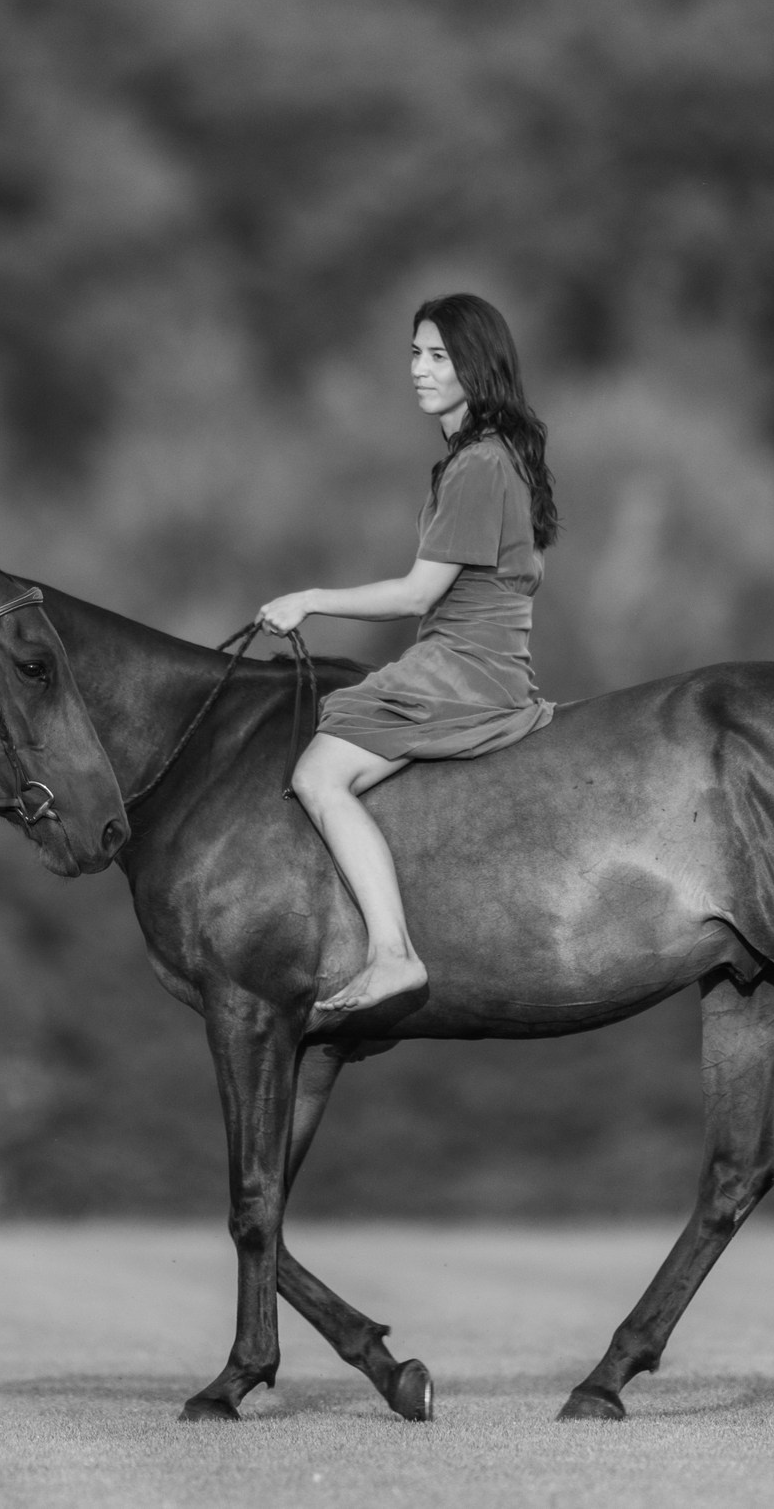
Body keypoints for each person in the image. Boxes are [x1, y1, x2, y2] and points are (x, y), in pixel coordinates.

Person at [259, 293, 560, 1017]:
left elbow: (418, 594)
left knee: (319, 775)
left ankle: (393, 954)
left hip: (465, 668)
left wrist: (310, 598)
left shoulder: (479, 467)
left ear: (475, 367)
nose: (420, 371)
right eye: (415, 354)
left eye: (438, 356)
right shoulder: (495, 459)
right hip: (478, 661)